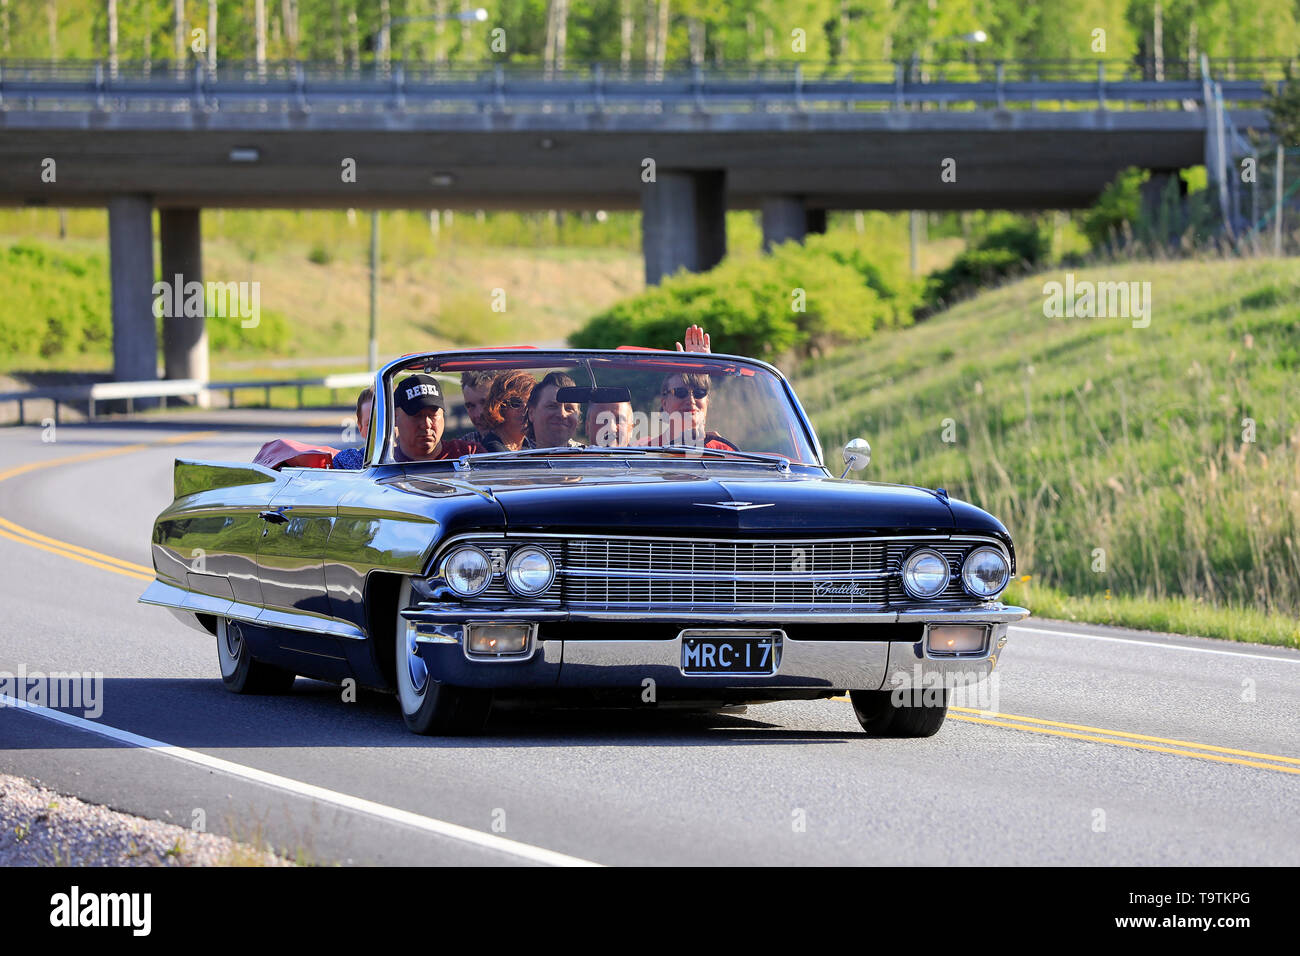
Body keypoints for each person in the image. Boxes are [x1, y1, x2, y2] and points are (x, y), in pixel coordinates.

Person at [392, 374, 483, 461]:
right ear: (395, 418)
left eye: (433, 415)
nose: (426, 424)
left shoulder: (470, 454)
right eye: (417, 416)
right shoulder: (386, 464)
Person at [639, 371, 738, 450]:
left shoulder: (724, 451)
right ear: (664, 403)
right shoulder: (647, 450)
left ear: (706, 402)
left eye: (699, 392)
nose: (691, 400)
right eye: (680, 392)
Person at [478, 369, 535, 452]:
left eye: (531, 402)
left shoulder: (528, 446)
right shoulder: (493, 452)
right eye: (516, 403)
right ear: (499, 407)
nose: (525, 408)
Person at [526, 372, 582, 449]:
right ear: (531, 413)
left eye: (569, 408)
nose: (562, 414)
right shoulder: (511, 459)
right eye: (552, 406)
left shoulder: (594, 458)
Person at [331, 385, 373, 470]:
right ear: (360, 428)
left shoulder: (407, 462)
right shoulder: (348, 462)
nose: (380, 431)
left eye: (388, 420)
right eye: (370, 424)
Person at [459, 369, 499, 443]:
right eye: (470, 406)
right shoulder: (464, 448)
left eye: (485, 403)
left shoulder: (525, 444)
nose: (478, 414)